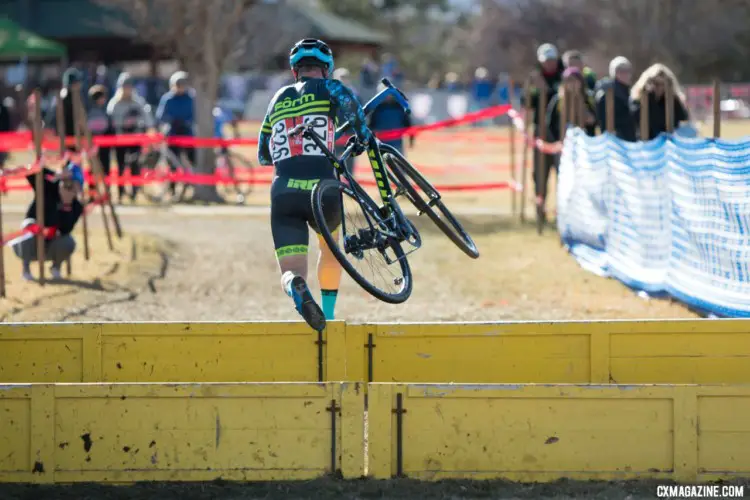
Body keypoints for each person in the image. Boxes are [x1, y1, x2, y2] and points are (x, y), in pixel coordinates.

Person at [257, 38, 372, 332]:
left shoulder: (277, 98)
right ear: (327, 68)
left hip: (283, 191)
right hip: (323, 188)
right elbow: (354, 112)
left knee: (291, 270)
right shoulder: (330, 87)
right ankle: (329, 316)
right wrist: (361, 138)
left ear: (296, 70)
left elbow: (263, 153)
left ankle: (296, 286)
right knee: (331, 251)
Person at [11, 163, 84, 281]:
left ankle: (56, 267)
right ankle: (26, 268)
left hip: (51, 242)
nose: (68, 187)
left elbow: (66, 230)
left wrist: (66, 205)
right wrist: (55, 174)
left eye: (72, 185)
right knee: (28, 226)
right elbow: (32, 172)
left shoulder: (76, 206)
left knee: (69, 242)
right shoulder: (48, 188)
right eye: (66, 183)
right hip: (32, 238)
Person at [524, 43, 564, 226]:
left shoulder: (564, 77)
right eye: (546, 61)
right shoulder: (535, 78)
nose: (550, 64)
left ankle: (563, 212)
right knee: (539, 175)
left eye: (552, 60)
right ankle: (540, 211)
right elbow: (527, 104)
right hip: (540, 133)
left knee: (562, 174)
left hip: (560, 133)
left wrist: (548, 91)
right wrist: (535, 90)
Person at [107, 72, 153, 203]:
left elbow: (148, 120)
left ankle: (134, 193)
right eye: (124, 87)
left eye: (129, 86)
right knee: (120, 167)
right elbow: (110, 124)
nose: (127, 89)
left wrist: (148, 132)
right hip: (120, 141)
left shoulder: (138, 103)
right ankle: (120, 194)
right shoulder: (114, 104)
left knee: (135, 166)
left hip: (135, 140)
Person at [156, 71, 195, 195]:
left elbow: (196, 115)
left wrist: (187, 121)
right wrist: (171, 121)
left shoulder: (191, 98)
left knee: (192, 159)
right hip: (172, 133)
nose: (180, 88)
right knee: (172, 163)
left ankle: (192, 184)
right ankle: (172, 189)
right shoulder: (168, 99)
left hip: (187, 132)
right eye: (178, 85)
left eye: (182, 85)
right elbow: (161, 116)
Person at [630, 63, 690, 140]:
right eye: (656, 83)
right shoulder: (640, 99)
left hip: (666, 142)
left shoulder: (673, 100)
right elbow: (635, 118)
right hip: (645, 141)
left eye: (663, 84)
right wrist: (650, 97)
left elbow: (683, 118)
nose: (659, 87)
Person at [547, 67, 598, 141]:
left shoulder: (589, 98)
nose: (573, 83)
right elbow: (550, 124)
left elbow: (596, 120)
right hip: (564, 142)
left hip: (586, 142)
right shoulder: (558, 100)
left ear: (581, 82)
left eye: (576, 80)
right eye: (569, 80)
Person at [596, 56, 636, 142]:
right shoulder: (607, 94)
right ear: (614, 73)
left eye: (627, 70)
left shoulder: (630, 93)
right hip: (616, 143)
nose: (626, 74)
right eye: (621, 71)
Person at [368, 81, 413, 155]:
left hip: (397, 145)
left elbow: (408, 124)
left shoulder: (399, 107)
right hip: (381, 145)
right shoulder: (376, 109)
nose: (387, 96)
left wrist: (411, 139)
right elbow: (370, 126)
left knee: (398, 165)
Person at [87, 85, 113, 196]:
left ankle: (107, 192)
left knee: (106, 168)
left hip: (104, 145)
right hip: (92, 144)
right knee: (92, 169)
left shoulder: (106, 111)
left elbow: (109, 127)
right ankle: (92, 193)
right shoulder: (89, 112)